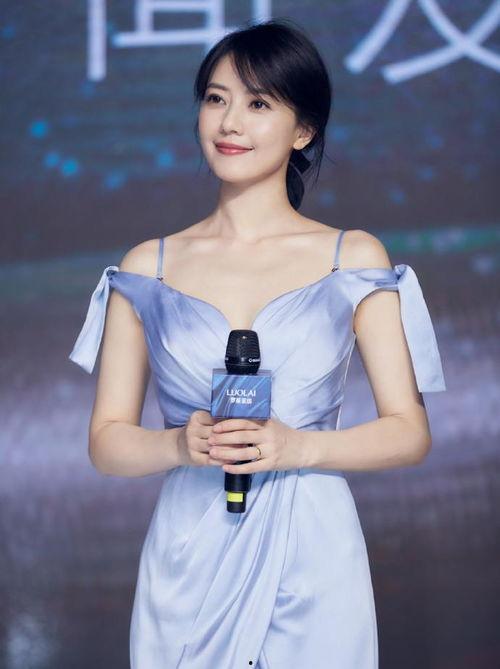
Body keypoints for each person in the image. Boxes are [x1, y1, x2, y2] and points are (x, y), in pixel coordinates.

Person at [68, 18, 446, 669]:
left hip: (312, 549)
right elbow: (106, 441)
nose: (229, 122)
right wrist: (179, 444)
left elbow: (409, 431)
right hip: (190, 551)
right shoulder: (148, 266)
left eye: (258, 103)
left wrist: (300, 446)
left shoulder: (351, 257)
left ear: (304, 130)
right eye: (216, 98)